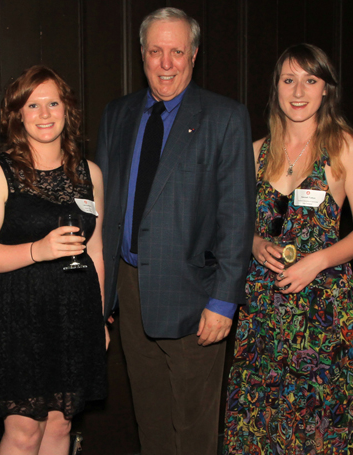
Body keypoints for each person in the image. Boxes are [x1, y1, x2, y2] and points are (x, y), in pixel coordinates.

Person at [95, 7, 255, 455]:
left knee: (194, 431)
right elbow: (105, 215)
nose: (166, 63)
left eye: (177, 52)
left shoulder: (225, 118)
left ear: (194, 55)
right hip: (130, 289)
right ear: (142, 55)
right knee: (151, 423)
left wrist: (223, 301)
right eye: (156, 51)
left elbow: (237, 216)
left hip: (196, 296)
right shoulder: (118, 114)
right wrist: (103, 298)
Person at [224, 44, 353, 454]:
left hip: (322, 308)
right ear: (275, 87)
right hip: (262, 309)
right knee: (262, 418)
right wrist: (254, 243)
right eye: (288, 80)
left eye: (310, 80)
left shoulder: (347, 148)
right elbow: (235, 226)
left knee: (320, 423)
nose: (298, 91)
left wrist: (319, 261)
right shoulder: (255, 151)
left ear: (326, 89)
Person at [0, 65, 107, 455]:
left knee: (61, 431)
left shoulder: (89, 174)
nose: (44, 114)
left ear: (67, 110)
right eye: (33, 105)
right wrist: (37, 250)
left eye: (53, 103)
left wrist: (97, 321)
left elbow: (95, 250)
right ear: (18, 114)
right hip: (17, 319)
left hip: (73, 319)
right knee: (25, 433)